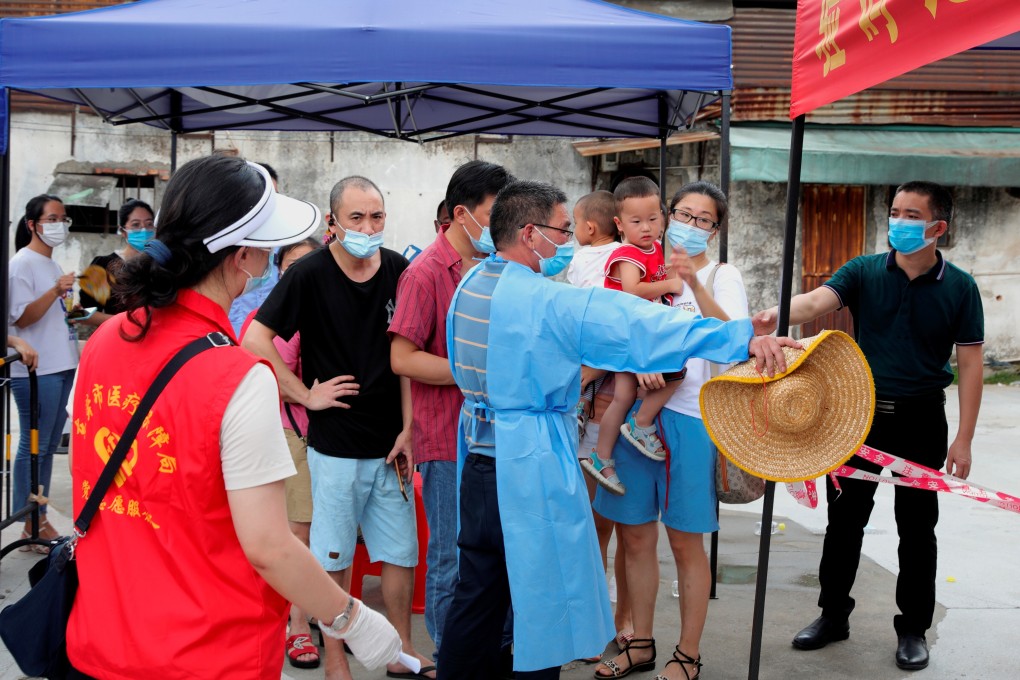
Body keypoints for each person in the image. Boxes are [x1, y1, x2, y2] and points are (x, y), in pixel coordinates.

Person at [436, 179, 797, 679]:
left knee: (478, 589)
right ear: (530, 234)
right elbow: (632, 321)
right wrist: (740, 339)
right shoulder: (546, 299)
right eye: (562, 230)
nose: (570, 241)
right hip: (528, 462)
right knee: (545, 592)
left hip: (478, 455)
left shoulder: (472, 284)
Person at [66, 155, 401, 679]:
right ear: (243, 256)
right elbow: (269, 546)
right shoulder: (237, 376)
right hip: (209, 649)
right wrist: (350, 617)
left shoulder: (108, 338)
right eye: (265, 245)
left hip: (102, 636)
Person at [756, 180, 984, 671]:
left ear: (938, 227)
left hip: (923, 420)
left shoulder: (961, 287)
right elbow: (816, 302)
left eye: (911, 215)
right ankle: (832, 616)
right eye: (895, 212)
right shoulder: (863, 270)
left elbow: (970, 364)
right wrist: (777, 315)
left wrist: (963, 438)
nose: (898, 222)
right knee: (844, 522)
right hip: (855, 417)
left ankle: (914, 629)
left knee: (916, 530)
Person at [244, 175, 433, 680]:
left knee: (400, 553)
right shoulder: (308, 274)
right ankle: (335, 661)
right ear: (333, 222)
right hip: (334, 446)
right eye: (356, 218)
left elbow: (407, 355)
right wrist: (305, 394)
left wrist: (410, 428)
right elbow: (255, 339)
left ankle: (401, 651)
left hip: (390, 444)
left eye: (377, 217)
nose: (368, 228)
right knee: (333, 556)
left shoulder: (398, 270)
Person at [593, 180, 747, 680]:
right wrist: (638, 364)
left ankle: (688, 655)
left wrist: (694, 284)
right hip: (639, 414)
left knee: (684, 542)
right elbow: (618, 322)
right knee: (635, 538)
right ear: (667, 215)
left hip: (691, 420)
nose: (690, 225)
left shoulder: (723, 274)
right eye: (683, 213)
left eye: (704, 219)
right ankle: (640, 642)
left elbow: (734, 340)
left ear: (715, 230)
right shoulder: (644, 265)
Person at [389, 160, 514, 667]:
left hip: (498, 434)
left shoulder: (498, 267)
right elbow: (402, 358)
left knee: (496, 550)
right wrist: (473, 373)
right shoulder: (424, 273)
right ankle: (450, 657)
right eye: (494, 212)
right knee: (451, 554)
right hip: (446, 437)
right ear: (462, 214)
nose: (502, 223)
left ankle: (496, 650)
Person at [239, 237, 322, 670]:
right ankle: (298, 625)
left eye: (310, 264)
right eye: (292, 266)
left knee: (325, 535)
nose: (302, 274)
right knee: (299, 534)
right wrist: (308, 395)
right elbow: (267, 372)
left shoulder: (328, 304)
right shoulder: (273, 318)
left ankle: (318, 612)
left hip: (329, 439)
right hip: (294, 433)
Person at [582, 177, 685, 495]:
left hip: (637, 333)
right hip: (627, 334)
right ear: (619, 224)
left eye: (653, 219)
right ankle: (640, 425)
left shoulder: (655, 249)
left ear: (663, 218)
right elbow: (633, 289)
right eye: (636, 221)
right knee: (677, 373)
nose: (646, 227)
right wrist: (671, 284)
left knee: (625, 395)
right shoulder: (627, 253)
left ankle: (602, 456)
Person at [564, 189, 633, 651]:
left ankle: (607, 619)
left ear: (590, 227)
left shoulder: (586, 262)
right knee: (608, 525)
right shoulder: (630, 261)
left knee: (603, 525)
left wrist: (588, 371)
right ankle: (614, 619)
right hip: (608, 407)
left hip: (601, 407)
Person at [7, 194, 79, 553]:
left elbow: (56, 314)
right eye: (52, 219)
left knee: (48, 447)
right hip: (37, 369)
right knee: (32, 447)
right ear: (32, 224)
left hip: (60, 363)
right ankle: (30, 520)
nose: (59, 225)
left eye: (63, 219)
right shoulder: (22, 264)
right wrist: (55, 290)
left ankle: (38, 519)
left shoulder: (50, 263)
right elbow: (21, 318)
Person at [76, 198, 155, 327]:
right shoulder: (102, 266)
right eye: (136, 225)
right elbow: (81, 313)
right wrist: (127, 322)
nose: (144, 230)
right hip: (119, 336)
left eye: (149, 224)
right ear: (123, 231)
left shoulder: (161, 265)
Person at [228, 162, 282, 335]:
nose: (268, 205)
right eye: (262, 198)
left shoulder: (287, 248)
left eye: (273, 197)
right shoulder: (223, 249)